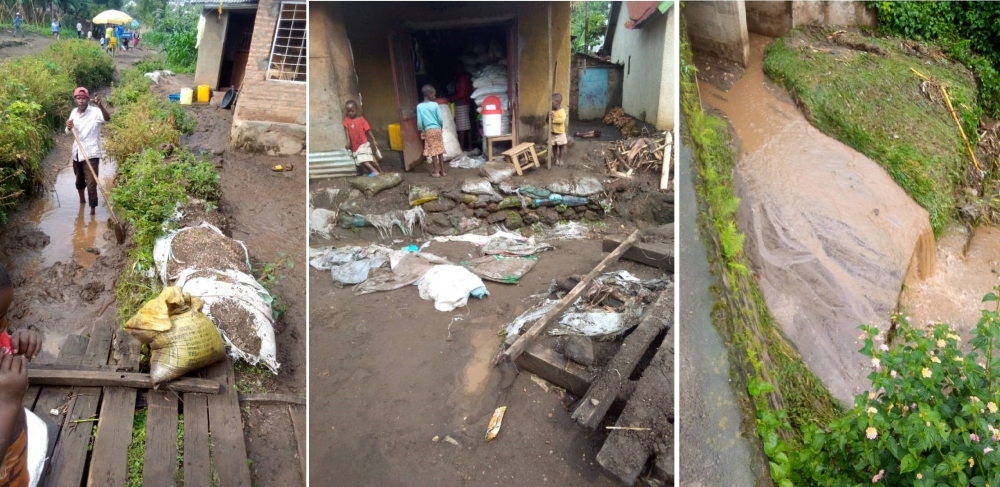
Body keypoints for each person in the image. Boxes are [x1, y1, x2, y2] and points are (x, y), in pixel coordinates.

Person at [0, 266, 43, 487]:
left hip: (16, 463)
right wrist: (7, 401)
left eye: (4, 315)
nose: (4, 327)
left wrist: (22, 340)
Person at [65, 87, 111, 216]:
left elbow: (107, 119)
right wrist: (68, 127)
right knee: (79, 181)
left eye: (83, 98)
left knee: (91, 184)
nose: (81, 100)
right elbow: (67, 132)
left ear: (87, 99)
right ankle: (82, 201)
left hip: (91, 153)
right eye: (78, 98)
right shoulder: (73, 112)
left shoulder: (95, 112)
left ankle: (92, 212)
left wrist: (101, 106)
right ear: (75, 100)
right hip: (77, 153)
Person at [342, 100, 381, 177]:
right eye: (348, 111)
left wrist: (374, 140)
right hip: (355, 145)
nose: (350, 113)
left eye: (352, 111)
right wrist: (348, 143)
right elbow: (347, 132)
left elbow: (368, 130)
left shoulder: (362, 120)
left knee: (362, 159)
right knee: (360, 161)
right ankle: (371, 173)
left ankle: (375, 171)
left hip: (362, 143)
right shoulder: (346, 121)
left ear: (357, 109)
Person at [417, 85, 446, 177]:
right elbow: (440, 119)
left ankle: (436, 172)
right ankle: (443, 171)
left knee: (433, 152)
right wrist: (440, 127)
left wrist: (422, 130)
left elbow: (419, 122)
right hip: (437, 129)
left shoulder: (419, 106)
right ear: (429, 94)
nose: (435, 96)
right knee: (440, 150)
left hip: (428, 131)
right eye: (434, 94)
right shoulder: (435, 105)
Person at [449, 66, 474, 151]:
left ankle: (462, 148)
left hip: (461, 103)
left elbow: (462, 94)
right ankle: (469, 146)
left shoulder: (462, 79)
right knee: (467, 126)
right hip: (465, 103)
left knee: (461, 128)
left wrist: (452, 98)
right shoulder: (464, 78)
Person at [550, 93, 568, 166]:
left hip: (560, 134)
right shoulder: (552, 112)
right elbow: (548, 122)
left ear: (556, 102)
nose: (550, 104)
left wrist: (553, 119)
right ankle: (556, 159)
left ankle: (561, 159)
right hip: (552, 133)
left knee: (561, 148)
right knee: (554, 147)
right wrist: (548, 117)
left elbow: (561, 120)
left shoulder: (562, 111)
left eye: (551, 102)